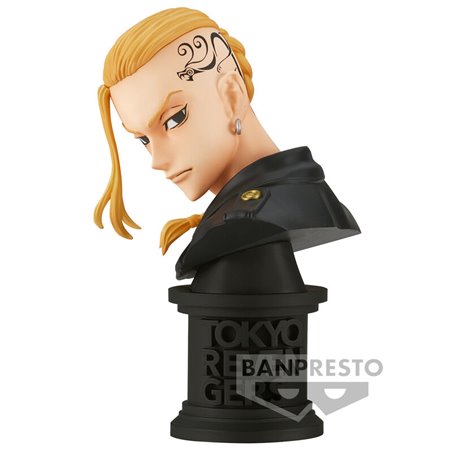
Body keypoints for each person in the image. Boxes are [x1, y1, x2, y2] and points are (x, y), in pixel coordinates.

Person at [93, 6, 360, 282]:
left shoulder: (268, 210)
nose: (157, 160)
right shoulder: (249, 208)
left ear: (232, 96)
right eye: (143, 139)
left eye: (174, 120)